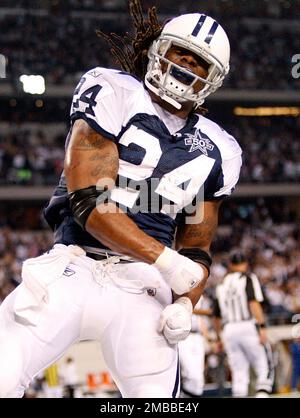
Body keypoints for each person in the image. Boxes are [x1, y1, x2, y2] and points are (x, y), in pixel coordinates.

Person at [0, 0, 242, 398]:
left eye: (199, 61)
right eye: (181, 51)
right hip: (75, 267)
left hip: (144, 288)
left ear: (213, 80)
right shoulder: (115, 91)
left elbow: (197, 249)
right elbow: (90, 201)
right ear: (157, 50)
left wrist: (185, 304)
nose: (186, 64)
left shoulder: (219, 149)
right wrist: (166, 260)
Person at [212, 251, 274, 397]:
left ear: (231, 265)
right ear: (245, 264)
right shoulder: (248, 278)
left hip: (229, 330)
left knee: (239, 375)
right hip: (247, 326)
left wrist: (218, 338)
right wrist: (262, 327)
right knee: (264, 368)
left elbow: (216, 316)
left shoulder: (222, 284)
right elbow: (253, 303)